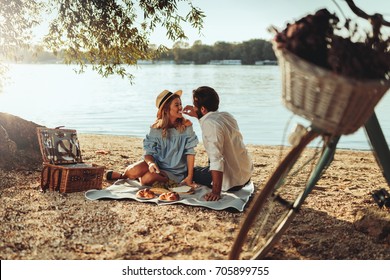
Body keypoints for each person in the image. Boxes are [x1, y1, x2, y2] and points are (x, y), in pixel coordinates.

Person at [106, 89, 199, 186]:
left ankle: (139, 178)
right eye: (176, 105)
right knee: (133, 170)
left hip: (175, 172)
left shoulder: (186, 125)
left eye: (180, 104)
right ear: (166, 109)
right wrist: (151, 163)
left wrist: (190, 177)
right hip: (157, 165)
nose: (180, 107)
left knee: (147, 179)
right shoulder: (156, 128)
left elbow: (190, 153)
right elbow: (148, 153)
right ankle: (123, 176)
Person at [183, 86, 253, 201]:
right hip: (245, 176)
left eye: (195, 106)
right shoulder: (226, 116)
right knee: (206, 164)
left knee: (189, 171)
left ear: (203, 109)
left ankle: (215, 184)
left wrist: (216, 191)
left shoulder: (210, 124)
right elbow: (210, 121)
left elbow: (216, 159)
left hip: (232, 183)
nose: (193, 108)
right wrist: (197, 114)